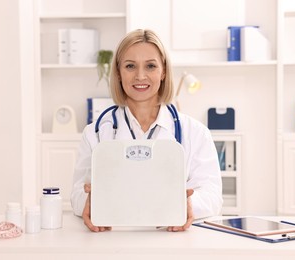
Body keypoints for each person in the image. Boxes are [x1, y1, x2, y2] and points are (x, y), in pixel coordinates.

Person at [71, 29, 222, 232]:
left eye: (150, 66)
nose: (140, 76)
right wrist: (90, 201)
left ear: (164, 72)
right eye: (130, 66)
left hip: (172, 241)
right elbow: (77, 195)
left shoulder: (195, 132)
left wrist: (181, 204)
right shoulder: (96, 133)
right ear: (118, 72)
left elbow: (212, 196)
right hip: (113, 240)